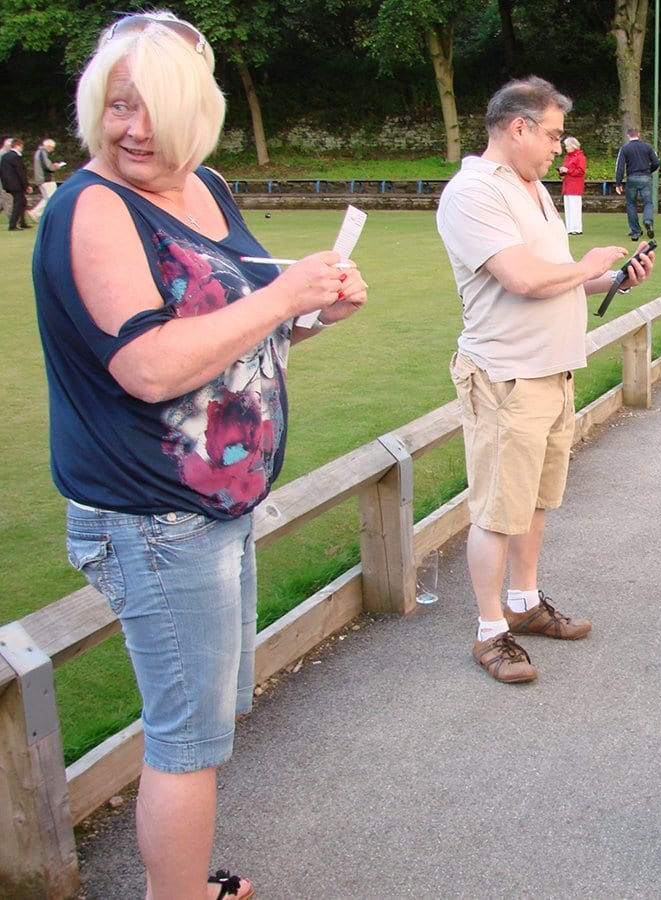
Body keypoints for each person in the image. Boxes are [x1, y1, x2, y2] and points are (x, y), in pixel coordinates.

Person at [33, 12, 367, 898]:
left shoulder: (205, 185)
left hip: (216, 507)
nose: (134, 129)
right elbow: (147, 367)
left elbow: (237, 334)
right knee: (186, 741)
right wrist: (281, 297)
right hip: (154, 518)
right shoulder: (93, 208)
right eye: (119, 106)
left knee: (206, 726)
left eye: (157, 110)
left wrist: (312, 312)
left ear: (200, 115)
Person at [436, 76, 654, 685]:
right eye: (554, 136)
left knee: (534, 501)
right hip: (506, 376)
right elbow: (523, 279)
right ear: (518, 127)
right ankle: (489, 631)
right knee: (496, 511)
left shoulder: (532, 188)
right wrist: (585, 265)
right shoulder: (474, 192)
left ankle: (525, 603)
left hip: (552, 371)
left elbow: (555, 277)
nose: (560, 148)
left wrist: (612, 281)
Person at [614, 126, 659, 241]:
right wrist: (649, 171)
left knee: (631, 204)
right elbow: (656, 162)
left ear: (628, 135)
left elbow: (620, 167)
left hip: (632, 177)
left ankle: (635, 231)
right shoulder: (647, 147)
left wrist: (618, 183)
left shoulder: (625, 148)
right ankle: (648, 220)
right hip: (645, 177)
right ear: (638, 134)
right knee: (648, 203)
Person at [30, 137, 68, 223]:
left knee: (47, 198)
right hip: (45, 179)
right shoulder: (42, 153)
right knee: (52, 198)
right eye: (52, 147)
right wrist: (55, 166)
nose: (52, 150)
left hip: (42, 179)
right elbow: (47, 166)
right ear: (48, 146)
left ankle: (36, 213)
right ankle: (36, 213)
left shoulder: (39, 153)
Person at [1, 138, 32, 230]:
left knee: (22, 202)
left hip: (8, 184)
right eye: (21, 146)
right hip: (16, 184)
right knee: (19, 203)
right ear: (17, 146)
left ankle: (22, 223)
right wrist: (26, 185)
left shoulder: (5, 156)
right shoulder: (15, 157)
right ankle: (13, 224)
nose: (22, 148)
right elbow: (20, 172)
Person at [558, 135, 586, 234]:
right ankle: (569, 228)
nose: (566, 148)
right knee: (568, 207)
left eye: (567, 146)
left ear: (573, 146)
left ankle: (576, 228)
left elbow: (581, 171)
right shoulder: (567, 157)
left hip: (575, 185)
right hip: (567, 184)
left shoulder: (580, 157)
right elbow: (566, 168)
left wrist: (568, 170)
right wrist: (562, 171)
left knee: (575, 207)